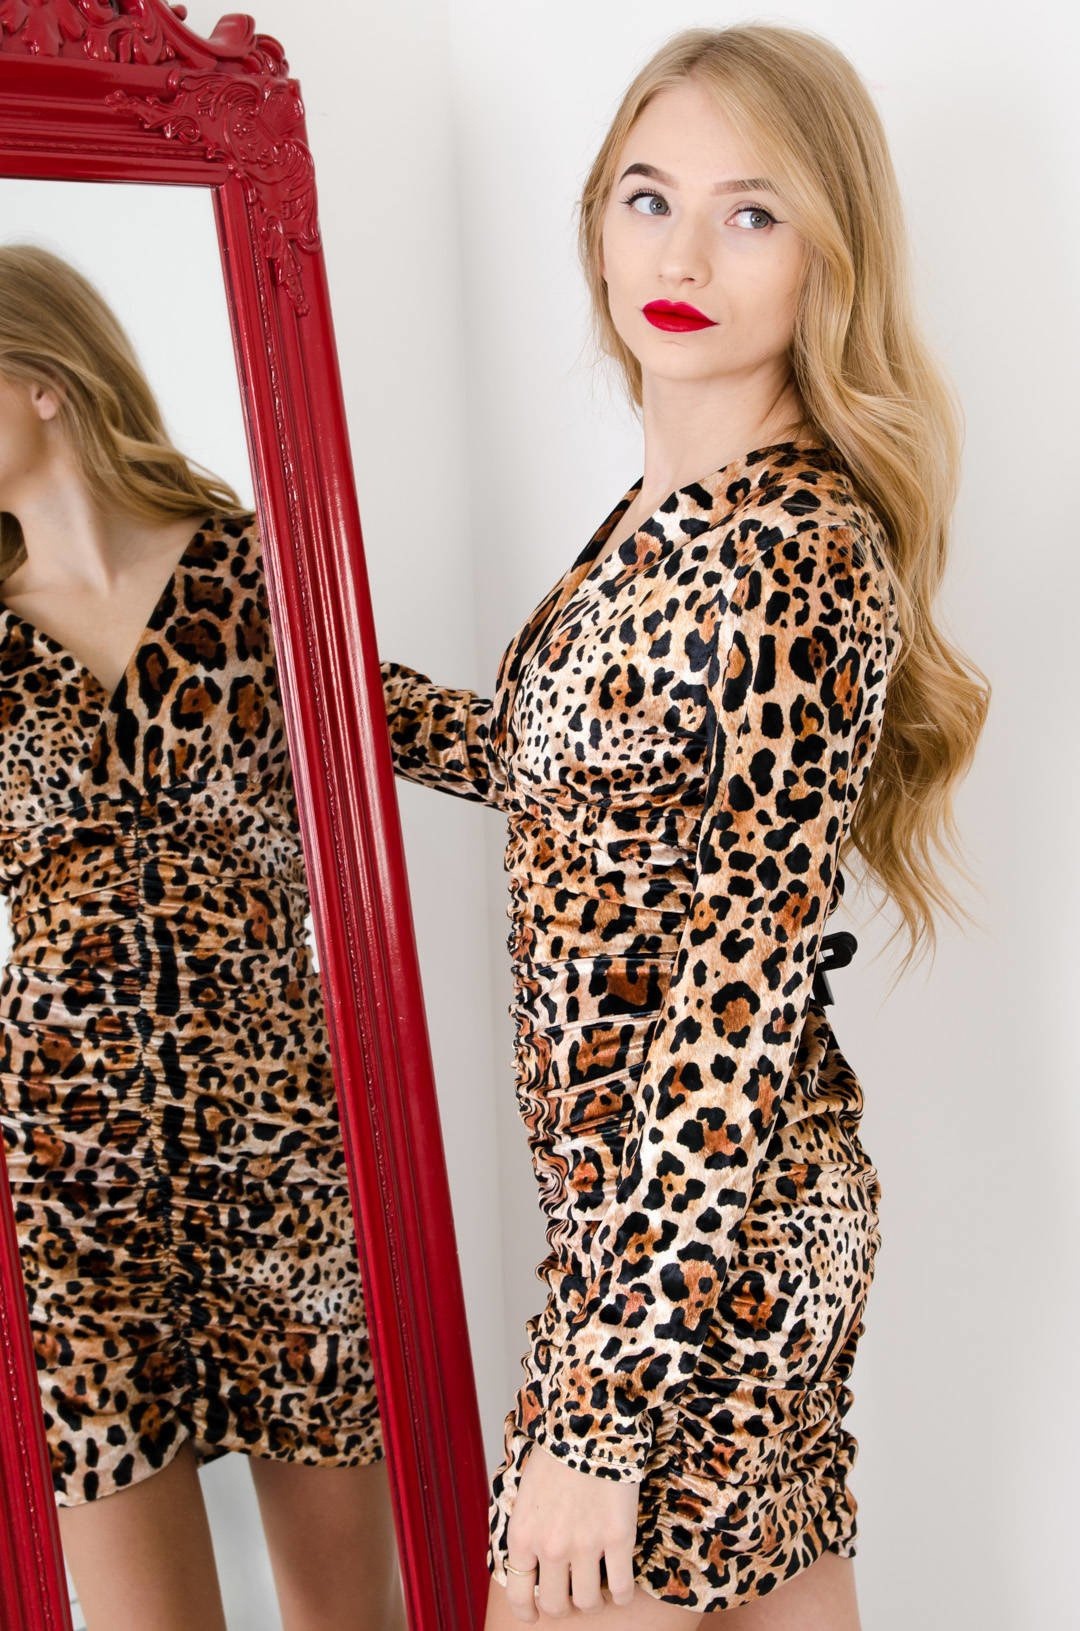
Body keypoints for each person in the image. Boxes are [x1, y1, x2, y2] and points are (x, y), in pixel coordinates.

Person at [380, 21, 990, 1630]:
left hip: (701, 1247)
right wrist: (318, 683)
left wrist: (593, 1421)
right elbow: (567, 773)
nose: (683, 257)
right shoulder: (670, 519)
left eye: (751, 213)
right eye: (648, 198)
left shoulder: (791, 554)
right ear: (597, 220)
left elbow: (737, 998)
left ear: (828, 256)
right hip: (691, 1232)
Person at [0, 244, 404, 1631]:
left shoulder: (253, 574)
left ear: (43, 381)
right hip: (67, 1179)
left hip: (279, 1151)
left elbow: (410, 728)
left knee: (349, 1614)